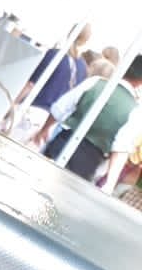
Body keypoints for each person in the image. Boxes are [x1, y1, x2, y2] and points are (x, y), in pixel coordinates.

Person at [43, 56, 142, 189]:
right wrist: (110, 182)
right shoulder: (134, 109)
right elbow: (120, 148)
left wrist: (43, 130)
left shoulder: (95, 82)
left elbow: (59, 109)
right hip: (88, 161)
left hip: (61, 143)